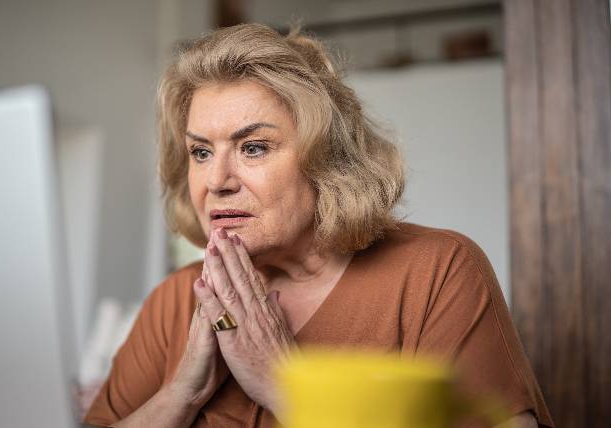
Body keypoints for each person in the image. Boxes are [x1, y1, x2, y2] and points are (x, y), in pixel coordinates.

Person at [84, 23, 553, 428]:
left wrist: (286, 387)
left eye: (253, 148)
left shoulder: (437, 272)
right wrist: (177, 398)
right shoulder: (175, 300)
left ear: (326, 161)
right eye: (201, 152)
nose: (216, 181)